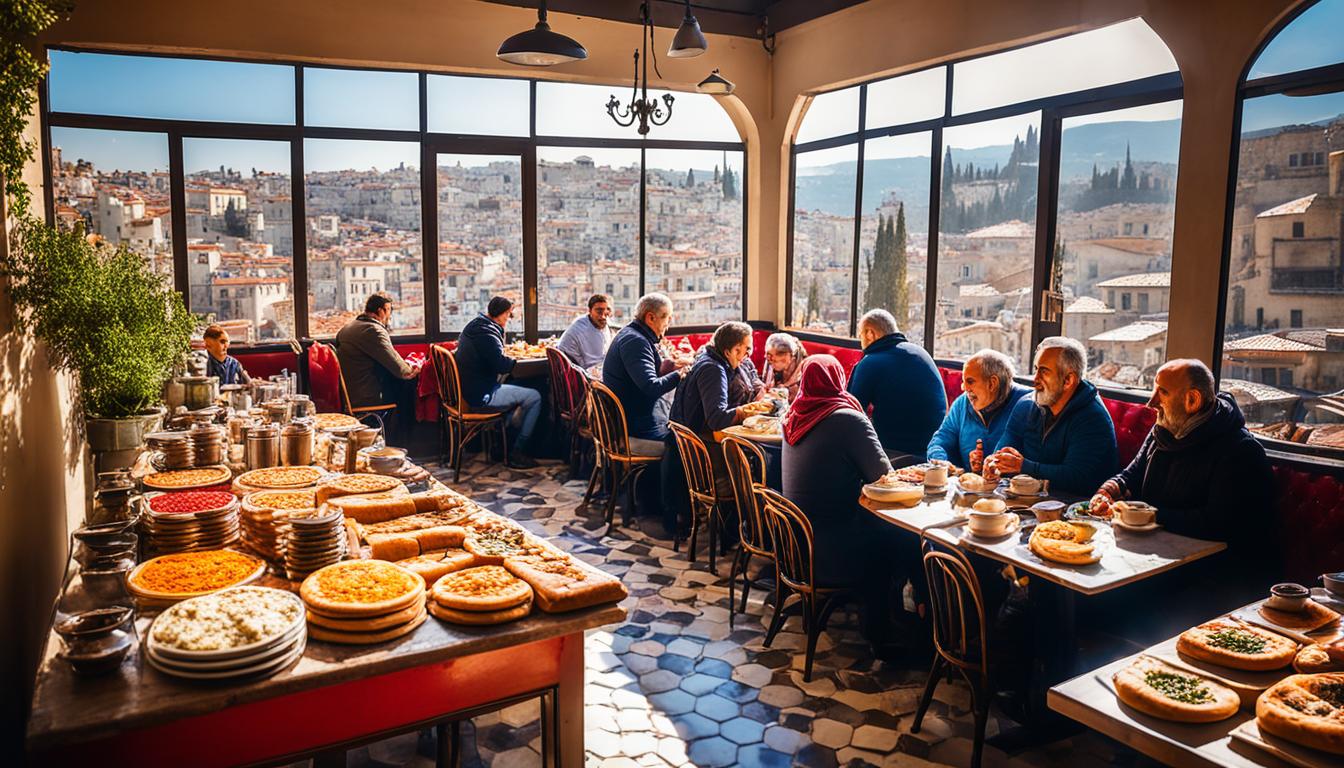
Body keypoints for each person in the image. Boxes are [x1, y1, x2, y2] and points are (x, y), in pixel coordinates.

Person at [781, 355, 914, 655]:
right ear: (838, 380)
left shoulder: (793, 415)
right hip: (833, 550)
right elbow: (883, 478)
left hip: (797, 545)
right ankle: (882, 632)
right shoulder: (846, 418)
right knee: (899, 539)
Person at [1088, 359, 1273, 550]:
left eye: (1162, 392)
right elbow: (1131, 475)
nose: (1151, 402)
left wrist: (1146, 516)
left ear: (1192, 400)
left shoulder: (1241, 451)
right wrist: (1108, 492)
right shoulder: (1164, 431)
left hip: (1212, 560)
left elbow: (1218, 523)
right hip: (1156, 545)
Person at [987, 337, 1117, 496]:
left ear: (1068, 380)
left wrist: (1023, 466)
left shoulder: (1093, 418)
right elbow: (1003, 449)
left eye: (1044, 371)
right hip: (1025, 500)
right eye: (1036, 369)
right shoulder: (1026, 405)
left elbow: (1078, 478)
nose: (1035, 380)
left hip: (1074, 505)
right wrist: (994, 463)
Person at [663, 322, 755, 538]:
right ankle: (747, 531)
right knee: (757, 470)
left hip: (690, 447)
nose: (748, 355)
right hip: (701, 455)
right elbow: (717, 419)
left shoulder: (711, 358)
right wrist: (746, 411)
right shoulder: (713, 369)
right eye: (746, 349)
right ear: (730, 350)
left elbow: (751, 381)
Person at [847, 309, 947, 465]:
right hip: (935, 449)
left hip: (896, 452)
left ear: (870, 334)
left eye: (861, 335)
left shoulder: (870, 362)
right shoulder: (921, 353)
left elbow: (850, 414)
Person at [455, 296, 542, 469]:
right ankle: (517, 451)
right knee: (535, 396)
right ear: (501, 313)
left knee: (520, 388)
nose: (508, 319)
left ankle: (502, 444)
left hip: (471, 387)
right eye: (508, 314)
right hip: (481, 394)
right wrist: (515, 361)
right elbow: (501, 365)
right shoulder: (487, 332)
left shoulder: (477, 325)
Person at [602, 293, 690, 453]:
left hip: (634, 416)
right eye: (667, 318)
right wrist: (681, 374)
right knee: (690, 443)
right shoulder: (635, 341)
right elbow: (651, 387)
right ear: (650, 318)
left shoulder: (631, 334)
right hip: (636, 428)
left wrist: (669, 367)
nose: (668, 324)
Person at [926, 349, 1030, 471]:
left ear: (992, 383)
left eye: (970, 381)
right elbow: (940, 440)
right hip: (968, 481)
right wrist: (941, 462)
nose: (964, 388)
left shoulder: (1028, 404)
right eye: (963, 381)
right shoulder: (962, 403)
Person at [335, 292, 422, 435]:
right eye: (389, 311)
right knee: (408, 385)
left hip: (351, 393)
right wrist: (414, 369)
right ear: (381, 310)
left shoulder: (348, 327)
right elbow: (401, 370)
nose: (390, 316)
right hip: (367, 397)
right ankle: (406, 440)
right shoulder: (373, 331)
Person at [555, 294, 615, 368]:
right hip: (576, 371)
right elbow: (595, 364)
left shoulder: (595, 323)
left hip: (580, 368)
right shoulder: (582, 329)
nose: (603, 316)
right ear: (590, 311)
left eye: (607, 311)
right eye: (599, 311)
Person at [759, 332, 807, 401]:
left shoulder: (804, 372)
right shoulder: (771, 363)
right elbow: (766, 387)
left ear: (788, 357)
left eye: (773, 359)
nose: (766, 357)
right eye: (767, 355)